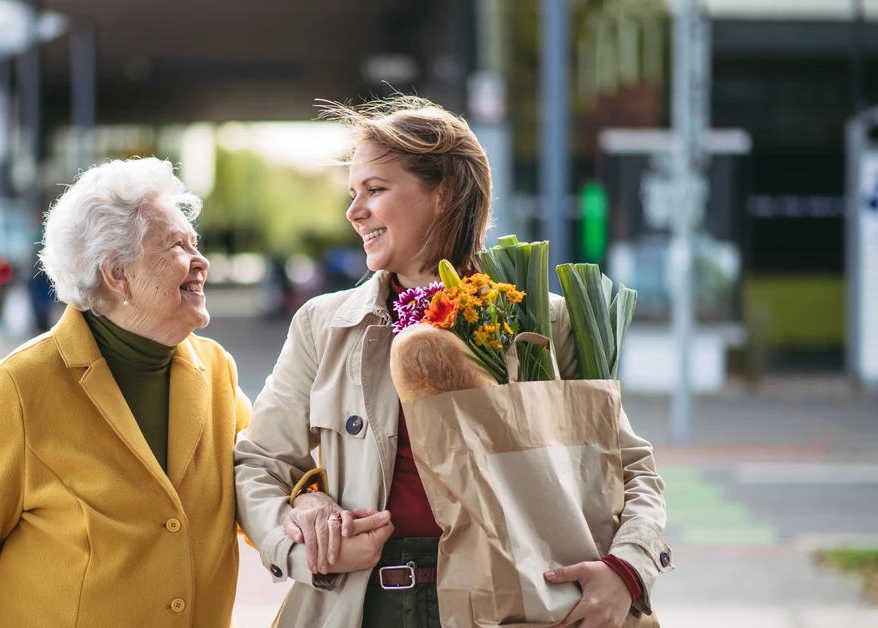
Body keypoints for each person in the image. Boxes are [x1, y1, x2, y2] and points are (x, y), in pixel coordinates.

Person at [234, 96, 672, 628]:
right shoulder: (323, 325)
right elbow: (260, 464)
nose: (353, 212)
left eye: (375, 190)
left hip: (515, 605)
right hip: (361, 606)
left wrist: (627, 570)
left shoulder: (545, 321)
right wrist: (306, 533)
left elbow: (631, 469)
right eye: (353, 194)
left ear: (443, 194)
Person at [0, 157, 252, 627]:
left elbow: (263, 479)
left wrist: (309, 501)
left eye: (195, 243)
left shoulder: (217, 371)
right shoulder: (21, 386)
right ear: (116, 274)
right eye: (177, 245)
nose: (202, 262)